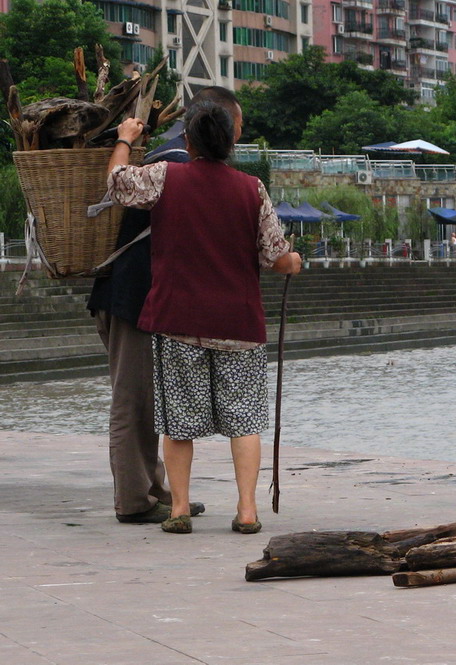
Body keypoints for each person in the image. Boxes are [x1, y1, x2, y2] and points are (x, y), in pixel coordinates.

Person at [106, 102, 301, 534]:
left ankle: (177, 509)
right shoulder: (253, 189)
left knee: (178, 422)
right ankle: (247, 510)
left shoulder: (164, 177)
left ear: (188, 141)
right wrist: (295, 261)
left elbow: (118, 184)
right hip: (239, 324)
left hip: (179, 319)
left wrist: (124, 139)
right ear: (231, 142)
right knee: (244, 420)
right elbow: (275, 257)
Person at [87, 87, 243, 524]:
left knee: (147, 400)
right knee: (133, 401)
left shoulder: (174, 161)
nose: (237, 136)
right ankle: (135, 501)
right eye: (237, 127)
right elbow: (117, 184)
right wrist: (123, 140)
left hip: (146, 300)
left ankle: (156, 491)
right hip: (131, 298)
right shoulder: (172, 164)